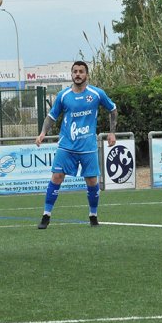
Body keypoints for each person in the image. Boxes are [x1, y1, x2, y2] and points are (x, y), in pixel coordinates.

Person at [35, 60, 117, 230]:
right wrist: (43, 132)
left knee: (92, 181)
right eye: (75, 71)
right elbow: (52, 116)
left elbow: (113, 109)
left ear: (86, 74)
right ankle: (46, 216)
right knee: (57, 176)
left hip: (88, 146)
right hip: (66, 145)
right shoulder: (63, 96)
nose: (78, 74)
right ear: (71, 75)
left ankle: (93, 216)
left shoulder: (96, 93)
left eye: (81, 71)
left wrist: (112, 132)